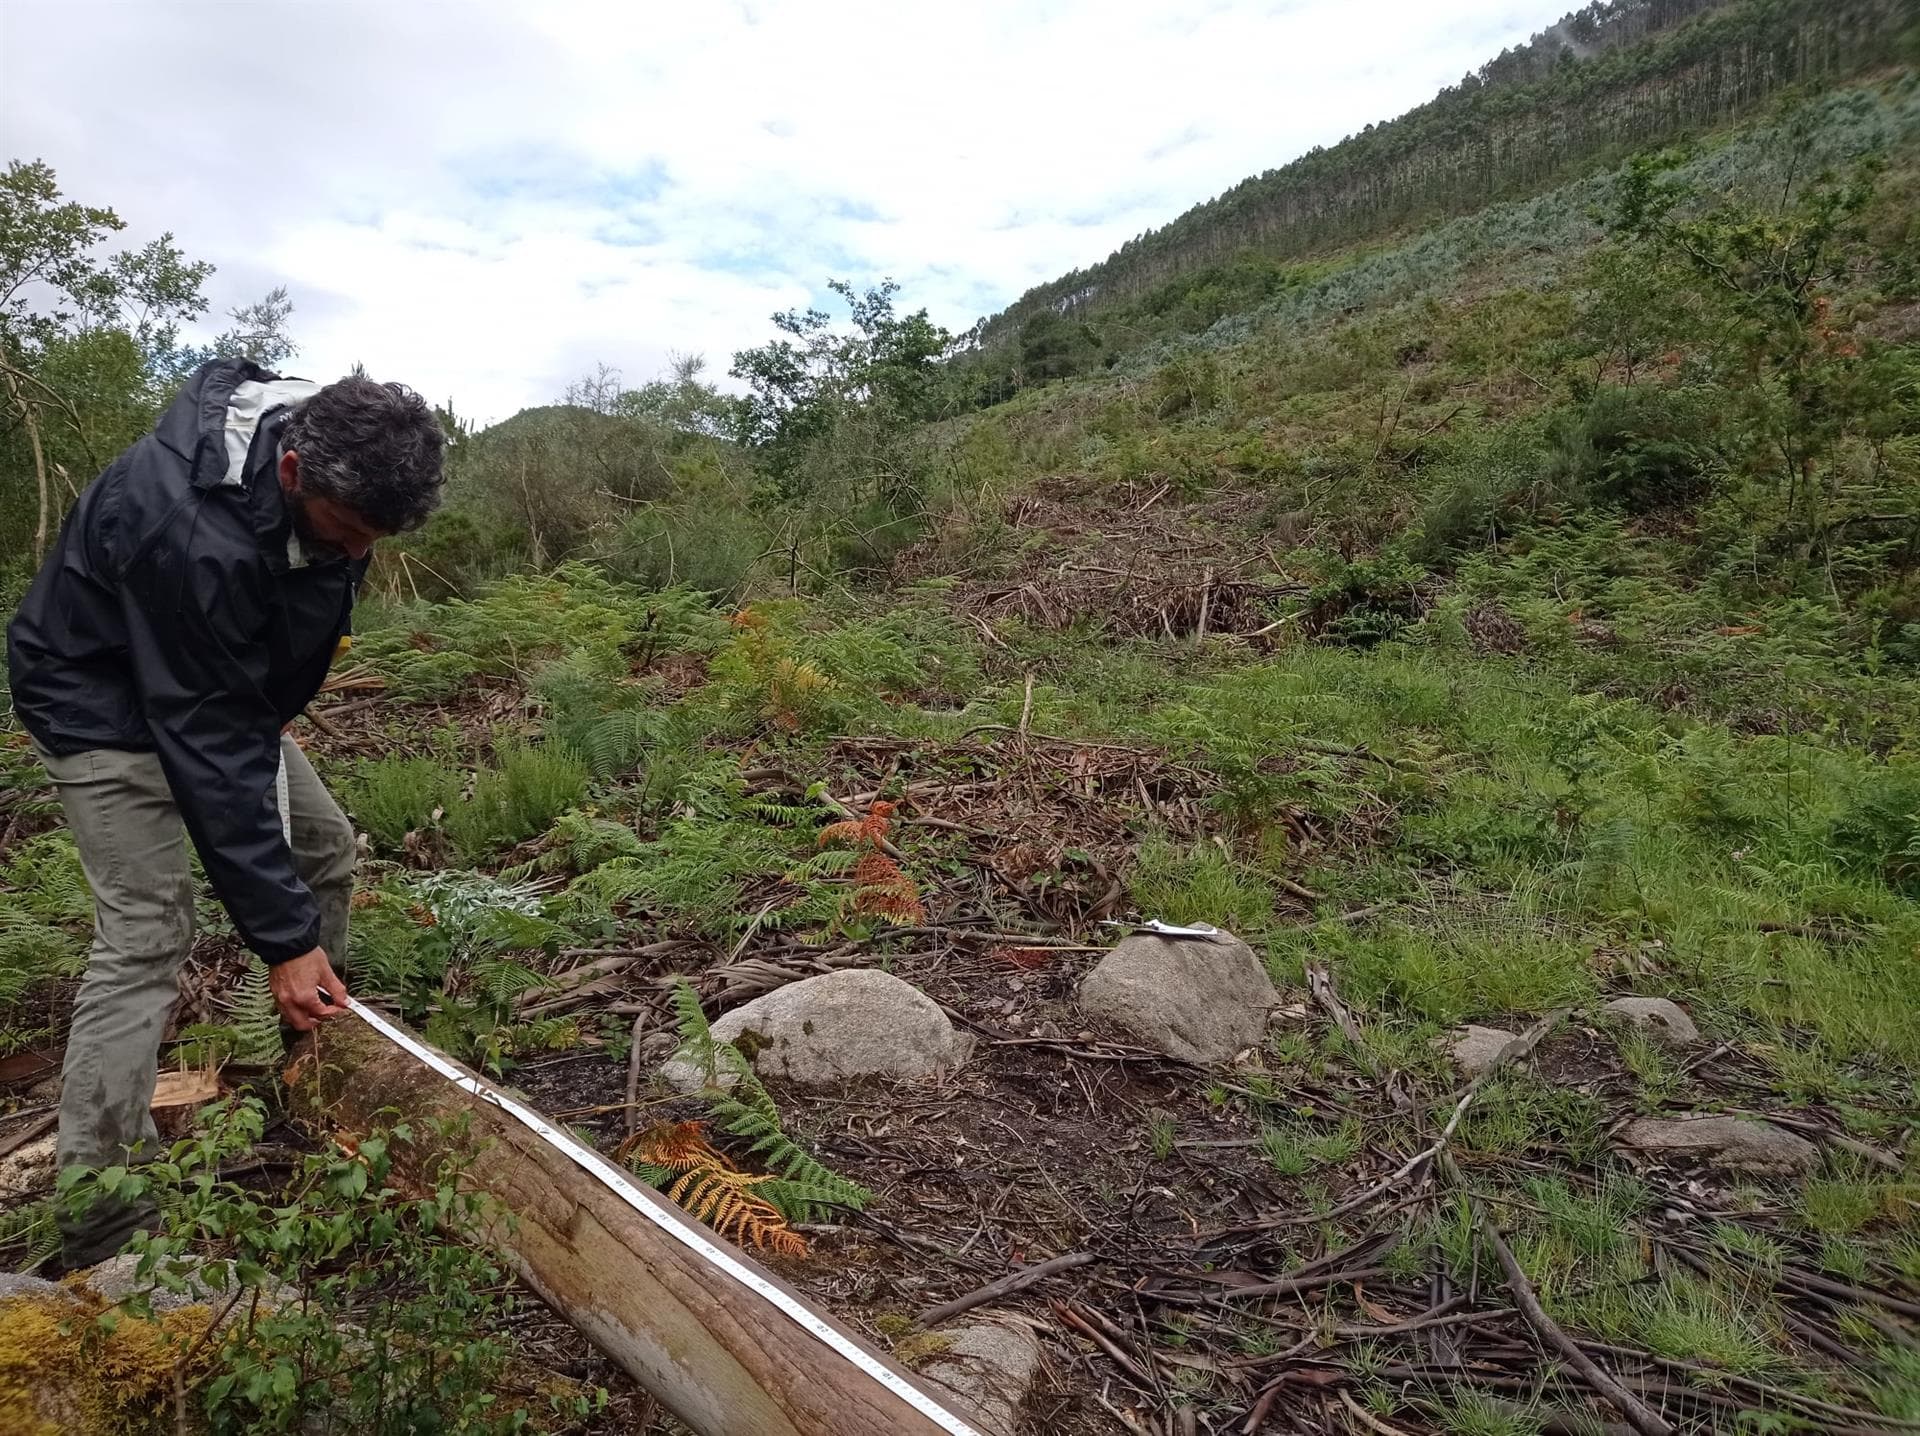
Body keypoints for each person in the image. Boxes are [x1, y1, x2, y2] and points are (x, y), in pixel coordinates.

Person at [6, 358, 446, 1268]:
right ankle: (103, 1224)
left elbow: (227, 714)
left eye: (376, 538)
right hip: (99, 700)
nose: (357, 554)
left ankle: (304, 1063)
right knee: (145, 935)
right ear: (292, 473)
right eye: (349, 533)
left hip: (211, 690)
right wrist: (282, 941)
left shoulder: (318, 454)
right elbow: (205, 747)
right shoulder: (186, 527)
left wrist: (289, 924)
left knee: (323, 847)